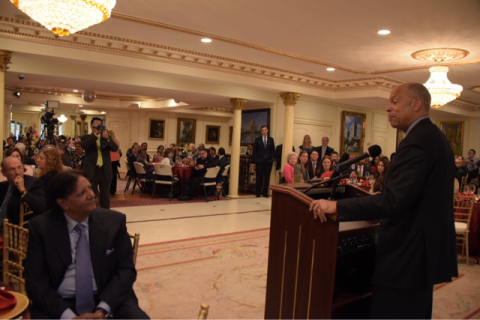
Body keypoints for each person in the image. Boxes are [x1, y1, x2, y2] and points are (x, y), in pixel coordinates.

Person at [309, 83, 458, 320]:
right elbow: (413, 196)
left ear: (416, 104)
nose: (388, 107)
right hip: (423, 255)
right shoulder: (436, 138)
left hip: (405, 258)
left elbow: (392, 203)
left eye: (394, 101)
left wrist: (336, 206)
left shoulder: (417, 142)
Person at [25, 171, 150, 320]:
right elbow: (36, 282)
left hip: (108, 298)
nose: (91, 195)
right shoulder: (41, 228)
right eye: (81, 193)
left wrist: (102, 309)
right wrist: (69, 317)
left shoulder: (114, 222)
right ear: (63, 203)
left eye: (90, 188)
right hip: (59, 302)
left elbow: (126, 270)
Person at [81, 118, 119, 209]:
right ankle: (91, 213)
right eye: (96, 124)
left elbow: (115, 148)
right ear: (91, 126)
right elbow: (84, 145)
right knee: (91, 194)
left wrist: (108, 138)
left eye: (100, 125)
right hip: (91, 170)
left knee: (105, 195)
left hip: (104, 170)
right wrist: (95, 135)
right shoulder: (86, 137)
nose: (98, 126)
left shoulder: (105, 138)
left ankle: (105, 213)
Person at [0, 157, 45, 227]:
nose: (17, 172)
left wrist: (23, 190)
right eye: (12, 169)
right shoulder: (3, 186)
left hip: (15, 231)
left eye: (20, 168)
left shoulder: (33, 183)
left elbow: (41, 208)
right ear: (3, 172)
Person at [252, 126, 275, 198]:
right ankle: (258, 192)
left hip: (268, 162)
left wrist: (271, 160)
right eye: (263, 130)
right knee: (259, 178)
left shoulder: (271, 140)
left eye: (265, 130)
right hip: (259, 162)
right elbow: (254, 151)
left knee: (267, 178)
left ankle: (265, 192)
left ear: (267, 130)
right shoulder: (257, 140)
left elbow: (273, 151)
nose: (264, 131)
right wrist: (256, 159)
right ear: (261, 131)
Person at [110, 131, 121, 196]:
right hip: (116, 158)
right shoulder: (117, 140)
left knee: (110, 175)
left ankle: (110, 189)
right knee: (114, 175)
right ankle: (113, 190)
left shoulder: (110, 141)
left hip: (111, 158)